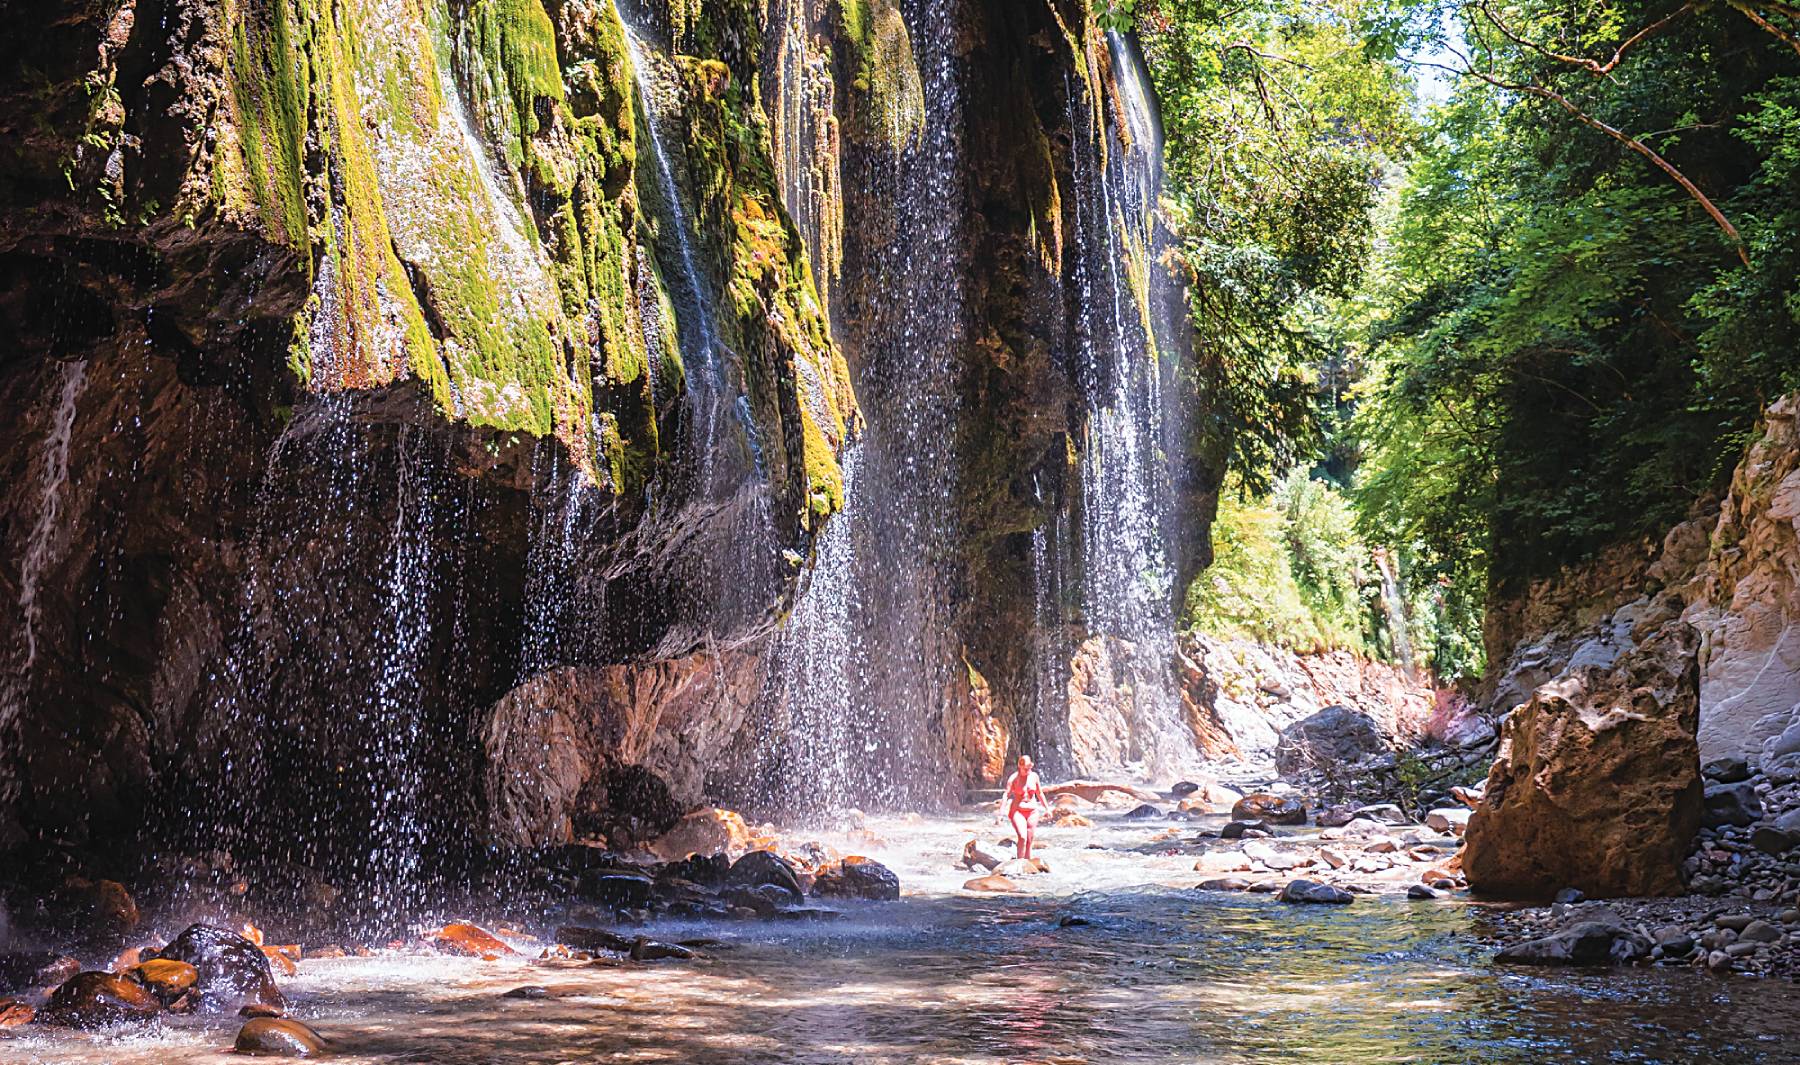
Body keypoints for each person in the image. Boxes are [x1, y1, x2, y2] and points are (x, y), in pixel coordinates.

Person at [1001, 754, 1048, 861]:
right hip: (1018, 811)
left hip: (1032, 811)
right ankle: (1019, 863)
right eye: (1026, 768)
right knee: (1022, 837)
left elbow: (1039, 793)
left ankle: (1027, 865)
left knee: (1029, 840)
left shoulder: (1034, 776)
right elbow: (1006, 795)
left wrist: (1047, 808)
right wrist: (1001, 813)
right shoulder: (1013, 779)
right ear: (1020, 766)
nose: (1028, 770)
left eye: (1030, 767)